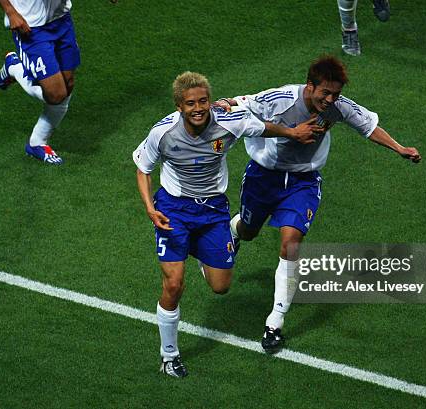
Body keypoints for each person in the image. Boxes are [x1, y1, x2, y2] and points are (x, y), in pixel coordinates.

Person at [216, 55, 421, 353]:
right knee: (249, 229)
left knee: (291, 243)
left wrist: (400, 148)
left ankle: (275, 322)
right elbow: (243, 102)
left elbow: (368, 127)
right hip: (264, 177)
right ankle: (235, 232)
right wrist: (224, 102)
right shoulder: (282, 99)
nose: (330, 99)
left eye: (335, 94)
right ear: (310, 85)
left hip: (303, 182)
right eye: (325, 92)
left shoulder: (339, 107)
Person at [132, 72, 321, 378]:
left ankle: (200, 252)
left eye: (203, 101)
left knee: (221, 287)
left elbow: (263, 127)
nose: (198, 108)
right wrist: (150, 209)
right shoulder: (163, 133)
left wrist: (293, 132)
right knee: (173, 284)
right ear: (179, 106)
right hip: (173, 210)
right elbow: (143, 168)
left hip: (214, 211)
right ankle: (169, 356)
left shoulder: (228, 122)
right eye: (190, 103)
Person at [0, 0, 80, 165]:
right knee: (56, 95)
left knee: (67, 84)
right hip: (30, 25)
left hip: (61, 18)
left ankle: (37, 143)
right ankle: (14, 68)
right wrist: (11, 12)